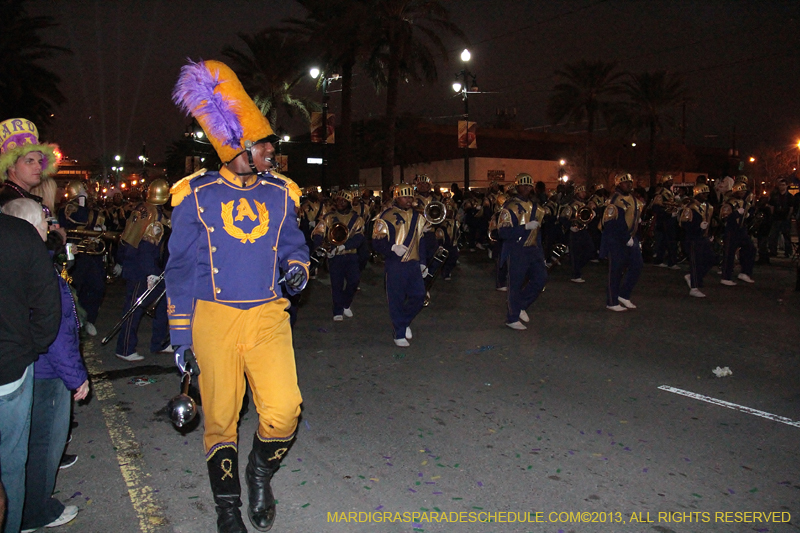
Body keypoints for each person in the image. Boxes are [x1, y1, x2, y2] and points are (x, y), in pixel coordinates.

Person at [168, 59, 310, 533]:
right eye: (264, 146)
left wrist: (297, 266)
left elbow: (293, 243)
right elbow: (181, 269)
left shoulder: (281, 193)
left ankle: (260, 471)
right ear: (238, 148)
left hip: (269, 314)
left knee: (285, 409)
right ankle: (228, 510)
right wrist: (181, 336)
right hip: (213, 317)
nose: (272, 153)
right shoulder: (194, 193)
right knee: (221, 419)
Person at [2, 199, 88, 531]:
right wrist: (76, 377)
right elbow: (56, 330)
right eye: (43, 222)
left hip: (29, 367)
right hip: (45, 373)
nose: (48, 227)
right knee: (42, 448)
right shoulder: (35, 265)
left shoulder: (22, 259)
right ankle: (33, 512)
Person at [0, 211, 61, 533]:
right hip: (9, 367)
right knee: (10, 463)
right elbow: (49, 304)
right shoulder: (19, 234)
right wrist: (31, 346)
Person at [114, 178, 173, 362]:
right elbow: (149, 246)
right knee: (134, 308)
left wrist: (120, 260)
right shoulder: (155, 215)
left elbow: (127, 236)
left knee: (163, 304)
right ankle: (124, 348)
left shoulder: (141, 208)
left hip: (137, 264)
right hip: (142, 268)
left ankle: (160, 342)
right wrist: (151, 272)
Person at [372, 183, 428, 347]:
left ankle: (403, 322)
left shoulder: (419, 217)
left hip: (413, 264)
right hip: (395, 264)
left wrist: (423, 262)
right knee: (396, 299)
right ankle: (399, 333)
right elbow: (376, 242)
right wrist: (391, 248)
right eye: (405, 196)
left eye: (411, 197)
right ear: (397, 197)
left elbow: (422, 241)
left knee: (419, 296)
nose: (409, 200)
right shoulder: (386, 216)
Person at [497, 173, 547, 330]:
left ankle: (521, 305)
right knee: (515, 283)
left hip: (533, 249)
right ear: (517, 187)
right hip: (516, 249)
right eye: (523, 185)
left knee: (541, 279)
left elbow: (538, 234)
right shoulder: (509, 207)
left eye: (529, 185)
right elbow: (503, 233)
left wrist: (541, 254)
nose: (526, 188)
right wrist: (524, 227)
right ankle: (512, 318)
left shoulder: (537, 207)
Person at [311, 190, 365, 320]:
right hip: (335, 256)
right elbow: (318, 232)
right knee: (336, 284)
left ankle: (346, 303)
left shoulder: (357, 219)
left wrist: (344, 246)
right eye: (339, 200)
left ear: (349, 203)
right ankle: (337, 310)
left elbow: (359, 238)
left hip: (351, 255)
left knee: (354, 281)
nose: (340, 202)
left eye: (344, 200)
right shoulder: (329, 217)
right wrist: (324, 247)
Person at [601, 173, 643, 311]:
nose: (629, 185)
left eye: (630, 183)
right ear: (619, 184)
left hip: (631, 237)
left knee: (637, 265)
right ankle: (612, 302)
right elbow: (613, 224)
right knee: (616, 271)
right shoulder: (614, 200)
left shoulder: (632, 198)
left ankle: (624, 295)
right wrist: (626, 238)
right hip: (616, 240)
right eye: (626, 183)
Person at [0, 118, 60, 207]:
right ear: (11, 165)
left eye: (40, 162)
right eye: (29, 161)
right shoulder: (10, 204)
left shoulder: (21, 198)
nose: (39, 167)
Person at [679, 184, 716, 297]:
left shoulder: (707, 206)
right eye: (703, 193)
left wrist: (710, 233)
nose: (706, 196)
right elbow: (684, 224)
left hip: (703, 237)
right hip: (692, 238)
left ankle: (694, 278)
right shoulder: (690, 207)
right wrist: (698, 227)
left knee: (711, 259)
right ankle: (694, 287)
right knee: (695, 262)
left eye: (707, 194)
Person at [719, 181, 756, 285]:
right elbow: (723, 217)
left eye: (744, 191)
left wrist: (749, 214)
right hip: (731, 231)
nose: (742, 193)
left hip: (742, 230)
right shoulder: (729, 203)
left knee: (750, 249)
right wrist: (735, 214)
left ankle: (745, 271)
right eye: (740, 191)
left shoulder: (745, 203)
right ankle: (726, 276)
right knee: (729, 253)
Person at [560, 185, 596, 283]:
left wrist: (592, 211)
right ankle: (576, 274)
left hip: (583, 229)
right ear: (577, 193)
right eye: (582, 192)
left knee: (590, 249)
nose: (584, 193)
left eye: (584, 192)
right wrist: (570, 226)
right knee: (575, 252)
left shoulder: (584, 203)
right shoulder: (571, 205)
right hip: (574, 231)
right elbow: (563, 218)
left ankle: (576, 267)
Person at [651, 174, 680, 269]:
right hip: (665, 220)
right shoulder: (661, 192)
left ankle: (659, 260)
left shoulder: (669, 192)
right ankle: (671, 262)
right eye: (669, 180)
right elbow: (656, 207)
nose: (671, 182)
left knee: (664, 241)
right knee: (670, 241)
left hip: (669, 219)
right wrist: (668, 214)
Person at [768, 178, 793, 258]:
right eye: (780, 185)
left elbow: (791, 207)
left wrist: (788, 217)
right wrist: (772, 215)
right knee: (773, 236)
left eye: (783, 185)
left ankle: (788, 252)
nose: (782, 187)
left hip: (785, 218)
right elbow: (771, 206)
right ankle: (773, 251)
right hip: (776, 218)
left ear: (786, 186)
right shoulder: (775, 196)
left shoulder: (789, 197)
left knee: (787, 236)